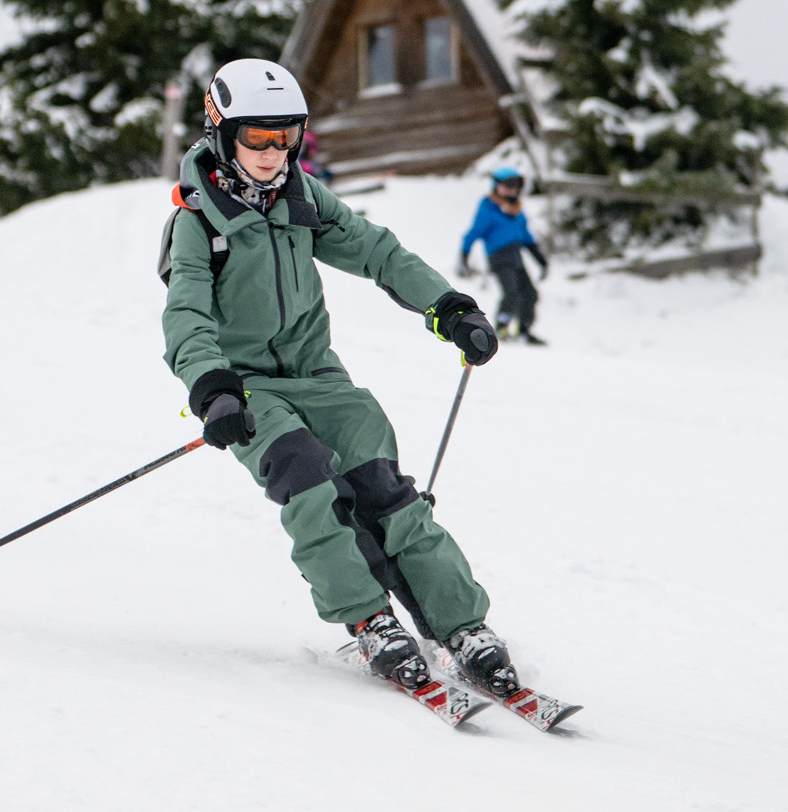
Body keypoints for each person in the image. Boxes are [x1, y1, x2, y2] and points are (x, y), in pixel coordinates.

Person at [159, 58, 518, 696]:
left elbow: (375, 250)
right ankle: (369, 618)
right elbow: (186, 313)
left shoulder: (300, 197)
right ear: (220, 132)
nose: (273, 153)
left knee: (383, 490)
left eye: (286, 136)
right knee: (305, 476)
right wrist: (212, 388)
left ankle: (462, 626)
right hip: (244, 391)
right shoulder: (197, 223)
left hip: (319, 376)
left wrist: (449, 306)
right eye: (257, 138)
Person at [460, 166, 548, 345]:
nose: (512, 190)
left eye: (515, 186)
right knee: (512, 293)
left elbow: (525, 236)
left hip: (515, 256)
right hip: (499, 257)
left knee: (529, 293)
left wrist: (540, 259)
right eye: (507, 186)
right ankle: (501, 325)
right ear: (496, 186)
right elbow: (474, 232)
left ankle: (524, 330)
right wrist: (464, 254)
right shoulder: (489, 208)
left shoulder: (517, 210)